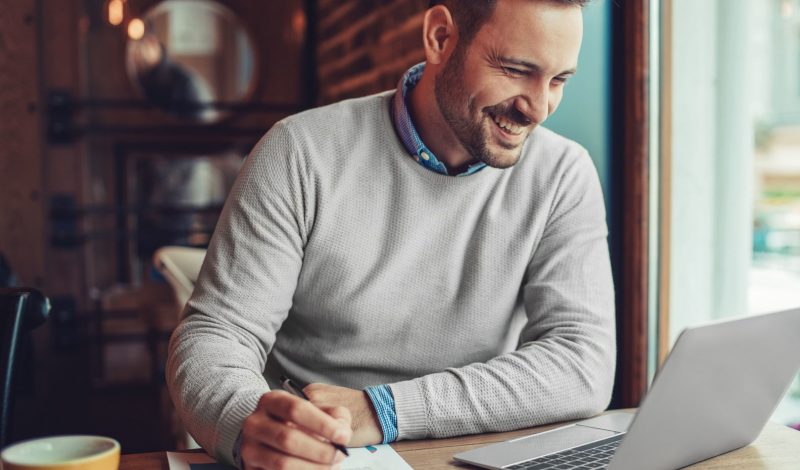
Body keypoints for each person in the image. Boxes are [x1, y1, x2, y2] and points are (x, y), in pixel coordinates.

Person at [165, 0, 615, 468]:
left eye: (559, 80)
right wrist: (247, 425)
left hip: (469, 453)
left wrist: (385, 410)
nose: (539, 108)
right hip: (320, 454)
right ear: (441, 37)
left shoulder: (564, 174)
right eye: (516, 69)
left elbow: (583, 361)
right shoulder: (299, 152)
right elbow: (216, 333)